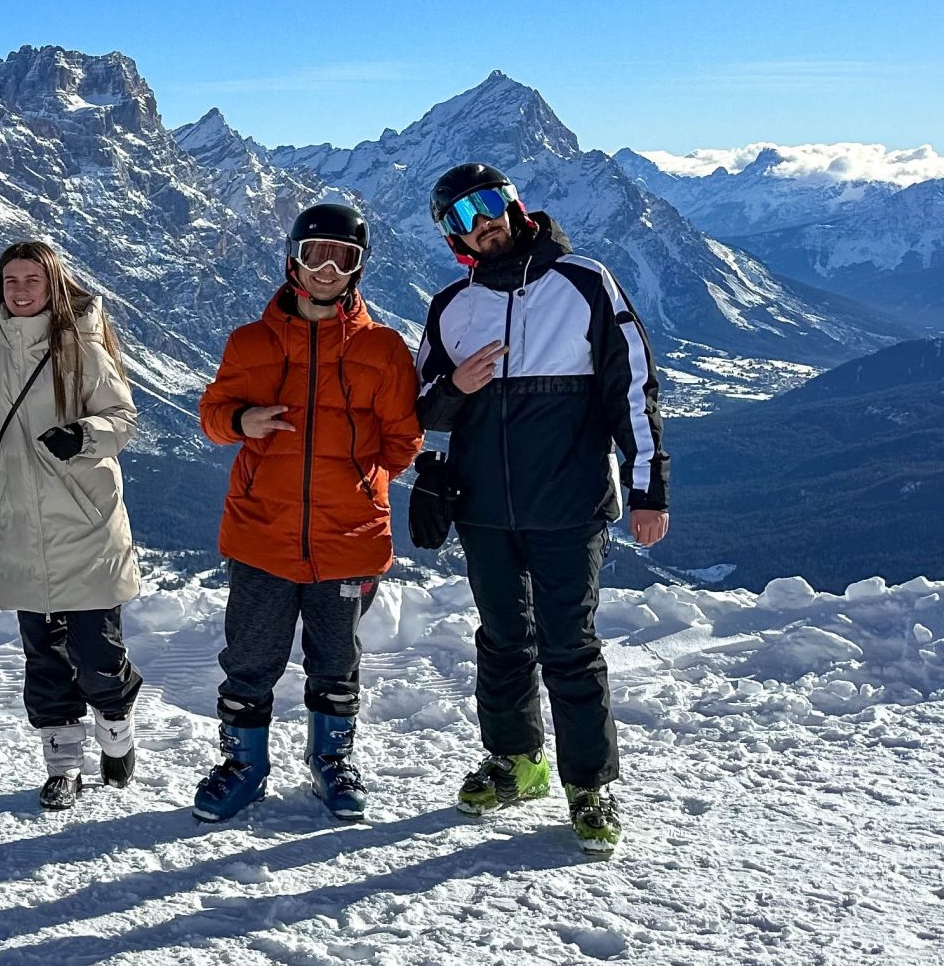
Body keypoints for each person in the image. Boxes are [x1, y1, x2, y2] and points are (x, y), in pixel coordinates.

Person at [417, 164, 668, 856]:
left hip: (569, 505)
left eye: (488, 204)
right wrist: (456, 391)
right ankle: (514, 762)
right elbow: (420, 407)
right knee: (501, 641)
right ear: (452, 238)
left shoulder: (583, 281)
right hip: (484, 511)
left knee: (570, 646)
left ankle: (589, 786)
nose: (481, 223)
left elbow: (632, 388)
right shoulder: (451, 305)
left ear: (515, 205)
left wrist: (648, 490)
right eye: (461, 218)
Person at [192, 202, 421, 824]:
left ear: (358, 269)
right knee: (250, 657)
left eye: (342, 258)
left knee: (336, 658)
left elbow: (403, 440)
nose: (327, 268)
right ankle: (244, 765)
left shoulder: (383, 348)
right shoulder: (251, 342)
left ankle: (332, 762)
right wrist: (242, 420)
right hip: (261, 532)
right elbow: (212, 416)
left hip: (349, 537)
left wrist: (359, 482)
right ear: (293, 260)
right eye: (315, 254)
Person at [0, 241, 144, 812]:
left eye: (32, 279)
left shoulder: (81, 344)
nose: (21, 290)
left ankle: (116, 727)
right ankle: (63, 767)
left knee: (98, 655)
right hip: (16, 521)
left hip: (84, 519)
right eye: (11, 280)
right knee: (44, 658)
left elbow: (121, 418)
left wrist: (83, 436)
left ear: (53, 284)